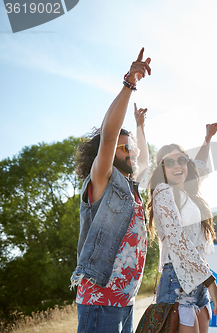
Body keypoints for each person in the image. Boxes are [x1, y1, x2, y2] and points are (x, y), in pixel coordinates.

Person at [71, 48, 152, 333]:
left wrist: (140, 126)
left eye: (130, 147)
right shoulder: (103, 179)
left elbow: (144, 161)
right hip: (100, 299)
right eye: (124, 147)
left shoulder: (131, 188)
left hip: (123, 300)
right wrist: (129, 83)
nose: (130, 152)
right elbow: (108, 136)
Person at [146, 123, 217, 333]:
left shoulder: (190, 194)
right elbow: (179, 242)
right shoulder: (163, 192)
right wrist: (211, 282)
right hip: (176, 282)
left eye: (181, 159)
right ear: (162, 168)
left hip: (198, 283)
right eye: (168, 162)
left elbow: (201, 165)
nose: (177, 165)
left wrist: (207, 139)